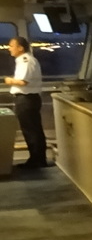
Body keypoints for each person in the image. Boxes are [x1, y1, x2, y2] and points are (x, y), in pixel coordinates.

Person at [5, 37, 48, 168]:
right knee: (32, 129)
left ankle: (37, 160)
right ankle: (36, 159)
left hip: (27, 99)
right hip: (27, 99)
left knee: (31, 130)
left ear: (20, 48)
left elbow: (23, 81)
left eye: (12, 46)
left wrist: (10, 81)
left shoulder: (26, 61)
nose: (9, 48)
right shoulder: (23, 61)